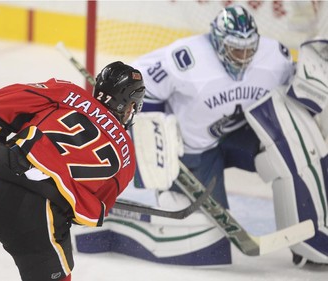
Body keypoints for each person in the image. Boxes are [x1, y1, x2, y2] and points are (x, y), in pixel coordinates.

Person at [73, 5, 297, 267]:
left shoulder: (274, 56)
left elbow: (293, 89)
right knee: (213, 231)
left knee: (291, 154)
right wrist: (155, 134)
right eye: (237, 50)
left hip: (243, 137)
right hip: (195, 149)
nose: (244, 57)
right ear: (218, 42)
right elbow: (143, 84)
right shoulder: (185, 58)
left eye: (249, 49)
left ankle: (310, 230)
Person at [0, 61, 145, 281]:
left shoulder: (67, 93)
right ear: (130, 107)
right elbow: (89, 211)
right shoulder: (127, 155)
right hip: (43, 213)